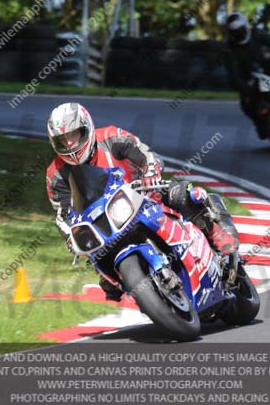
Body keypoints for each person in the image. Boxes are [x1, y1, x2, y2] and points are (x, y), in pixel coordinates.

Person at [46, 102, 239, 300]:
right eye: (62, 140)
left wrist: (150, 170)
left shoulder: (111, 137)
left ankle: (218, 235)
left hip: (143, 196)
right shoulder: (56, 175)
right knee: (101, 268)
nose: (69, 144)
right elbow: (62, 215)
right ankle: (135, 285)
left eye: (73, 135)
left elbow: (145, 153)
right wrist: (71, 234)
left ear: (87, 128)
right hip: (105, 226)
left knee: (183, 194)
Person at [225, 12, 270, 140]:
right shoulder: (230, 49)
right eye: (234, 32)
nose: (238, 34)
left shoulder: (258, 34)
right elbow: (233, 73)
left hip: (269, 67)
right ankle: (261, 125)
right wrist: (242, 86)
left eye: (240, 30)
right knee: (247, 104)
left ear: (246, 27)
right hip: (250, 77)